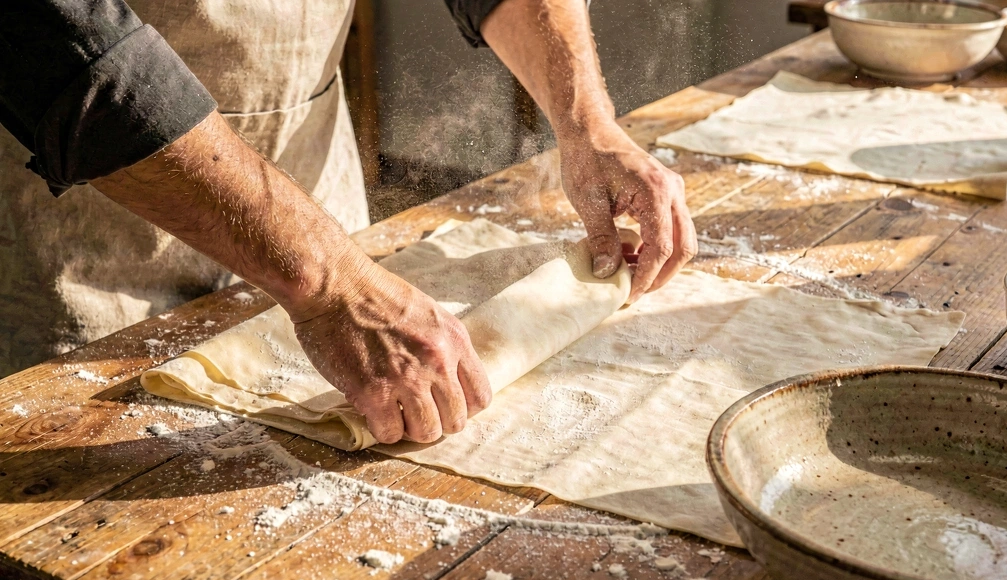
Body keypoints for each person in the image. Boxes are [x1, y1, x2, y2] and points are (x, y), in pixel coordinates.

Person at [0, 0, 697, 444]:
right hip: (89, 228)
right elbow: (57, 36)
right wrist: (333, 283)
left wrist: (587, 122)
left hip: (310, 187)